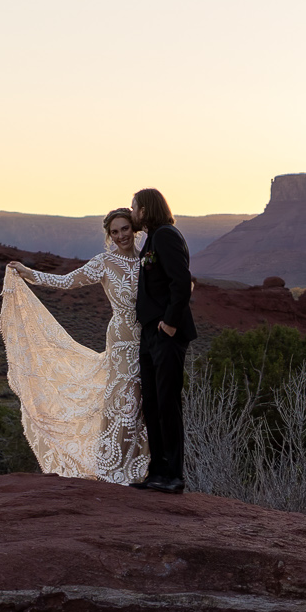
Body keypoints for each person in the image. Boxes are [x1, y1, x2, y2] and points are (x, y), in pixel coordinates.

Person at [1, 210, 149, 484]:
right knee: (124, 401)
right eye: (114, 232)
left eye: (125, 229)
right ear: (109, 236)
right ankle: (113, 470)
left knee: (144, 403)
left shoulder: (147, 260)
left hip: (151, 340)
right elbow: (68, 281)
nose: (121, 236)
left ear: (135, 228)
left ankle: (141, 470)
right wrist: (30, 274)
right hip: (122, 341)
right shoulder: (104, 262)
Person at [128, 186, 196, 492]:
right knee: (152, 403)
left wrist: (169, 324)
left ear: (145, 209)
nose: (132, 213)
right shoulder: (154, 238)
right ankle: (156, 472)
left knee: (168, 403)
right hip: (150, 334)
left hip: (166, 334)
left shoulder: (166, 235)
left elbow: (182, 282)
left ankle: (174, 476)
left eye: (134, 208)